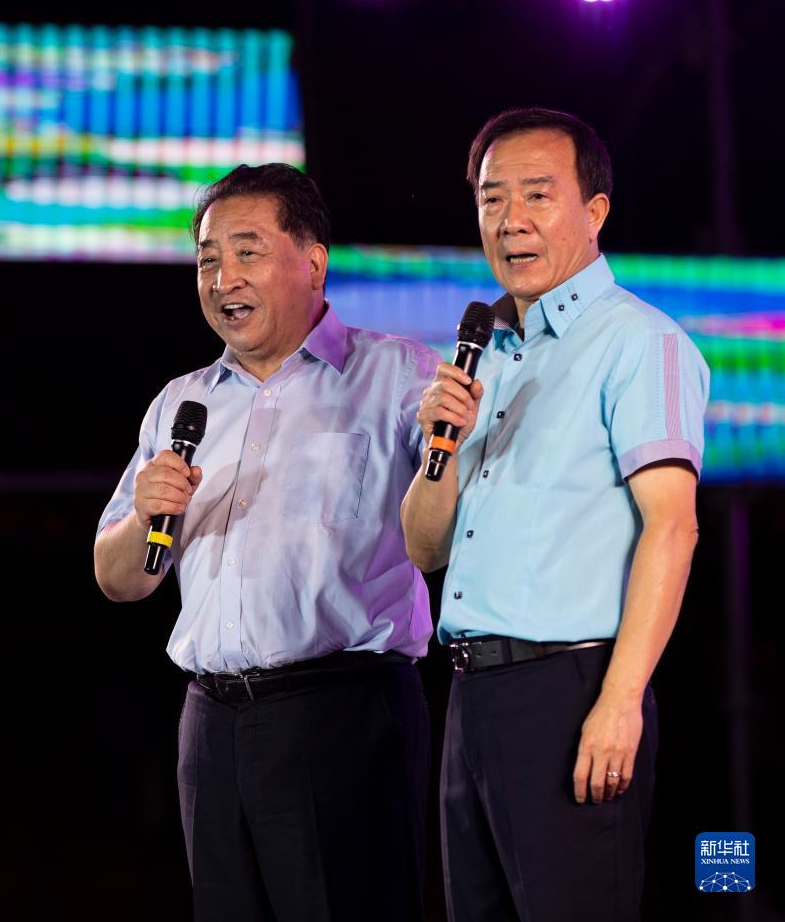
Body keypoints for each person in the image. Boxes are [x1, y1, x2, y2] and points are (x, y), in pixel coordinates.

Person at [94, 163, 439, 922]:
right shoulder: (180, 404)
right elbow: (119, 578)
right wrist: (144, 515)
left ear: (313, 260)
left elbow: (446, 531)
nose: (223, 279)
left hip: (342, 713)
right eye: (208, 259)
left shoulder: (398, 375)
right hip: (209, 724)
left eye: (246, 252)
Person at [401, 107, 710, 922]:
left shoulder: (636, 341)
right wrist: (440, 448)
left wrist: (620, 699)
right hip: (470, 694)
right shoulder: (487, 358)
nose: (510, 220)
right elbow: (424, 549)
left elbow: (672, 527)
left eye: (536, 195)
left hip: (571, 690)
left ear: (594, 210)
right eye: (491, 199)